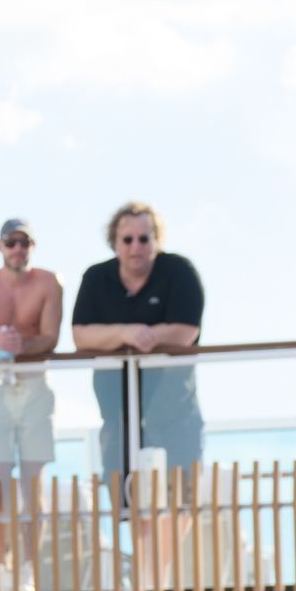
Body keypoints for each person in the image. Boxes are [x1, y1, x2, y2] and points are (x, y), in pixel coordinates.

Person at [69, 202, 204, 481]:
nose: (135, 247)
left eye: (144, 238)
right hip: (117, 415)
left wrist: (143, 335)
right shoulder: (96, 278)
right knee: (125, 499)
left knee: (182, 497)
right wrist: (125, 333)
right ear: (115, 243)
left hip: (176, 413)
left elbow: (186, 332)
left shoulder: (179, 271)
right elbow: (80, 336)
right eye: (127, 239)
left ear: (156, 240)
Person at [0, 219, 62, 589]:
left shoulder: (48, 283)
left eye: (24, 242)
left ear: (32, 246)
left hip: (34, 387)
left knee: (33, 482)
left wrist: (23, 344)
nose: (18, 249)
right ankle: (4, 564)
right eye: (11, 243)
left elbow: (50, 338)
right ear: (0, 246)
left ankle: (29, 569)